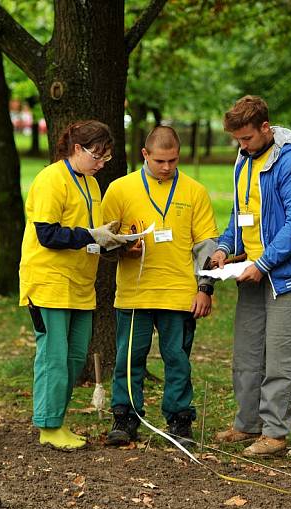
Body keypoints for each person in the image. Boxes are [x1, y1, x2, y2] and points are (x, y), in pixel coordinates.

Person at [209, 96, 291, 457]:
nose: (241, 146)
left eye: (246, 138)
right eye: (237, 141)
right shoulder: (244, 160)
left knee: (280, 356)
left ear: (265, 128)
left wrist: (263, 264)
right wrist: (225, 248)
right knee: (246, 354)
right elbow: (240, 214)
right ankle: (247, 425)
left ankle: (275, 432)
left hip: (286, 276)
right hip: (250, 272)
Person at [101, 126, 219, 449]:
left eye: (173, 161)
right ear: (145, 155)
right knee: (129, 357)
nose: (167, 167)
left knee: (177, 359)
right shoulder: (120, 190)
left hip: (180, 293)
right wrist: (124, 249)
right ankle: (125, 417)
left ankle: (180, 420)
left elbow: (207, 246)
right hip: (135, 293)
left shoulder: (195, 191)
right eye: (160, 161)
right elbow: (102, 242)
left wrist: (205, 288)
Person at [19, 120, 128, 450]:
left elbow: (86, 235)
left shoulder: (92, 184)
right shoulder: (51, 179)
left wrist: (110, 241)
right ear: (77, 149)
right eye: (96, 156)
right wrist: (91, 235)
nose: (100, 164)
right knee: (54, 356)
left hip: (82, 285)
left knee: (74, 356)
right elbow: (48, 234)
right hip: (50, 282)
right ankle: (48, 426)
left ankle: (58, 420)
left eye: (106, 159)